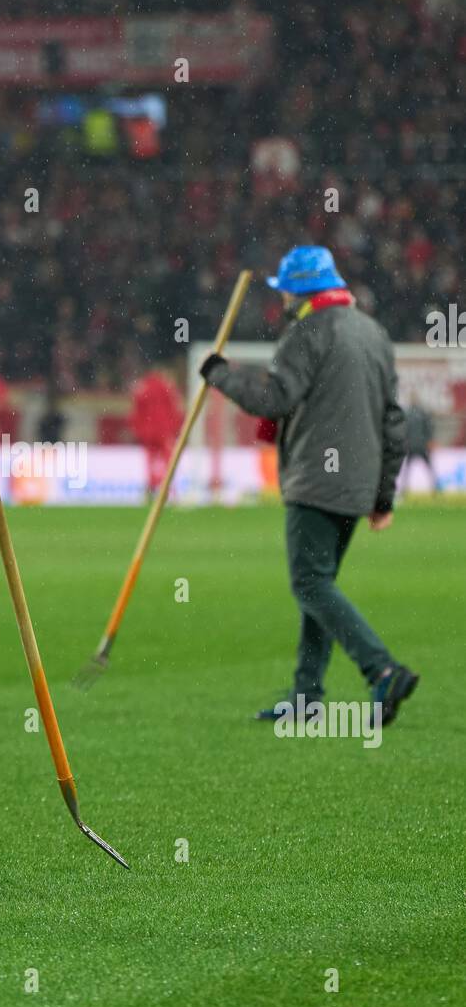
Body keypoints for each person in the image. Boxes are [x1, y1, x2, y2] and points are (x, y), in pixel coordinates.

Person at [200, 246, 418, 726]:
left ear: (300, 292)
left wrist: (221, 375)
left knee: (309, 582)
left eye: (287, 294)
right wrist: (382, 495)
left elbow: (274, 399)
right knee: (320, 584)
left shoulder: (307, 332)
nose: (283, 304)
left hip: (316, 481)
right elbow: (393, 421)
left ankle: (381, 669)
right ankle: (307, 694)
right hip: (358, 484)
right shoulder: (374, 333)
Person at [129, 367, 183, 497]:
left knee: (150, 461)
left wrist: (137, 429)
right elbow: (175, 408)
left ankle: (151, 486)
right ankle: (170, 489)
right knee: (168, 460)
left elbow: (136, 410)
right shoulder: (167, 386)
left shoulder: (142, 387)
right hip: (164, 430)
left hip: (148, 431)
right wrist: (176, 428)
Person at [402, 399, 439, 493]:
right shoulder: (422, 413)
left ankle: (404, 489)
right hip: (422, 446)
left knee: (407, 469)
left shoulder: (407, 414)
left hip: (411, 446)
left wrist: (405, 442)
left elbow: (404, 430)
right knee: (429, 468)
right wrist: (429, 440)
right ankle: (435, 488)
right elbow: (429, 427)